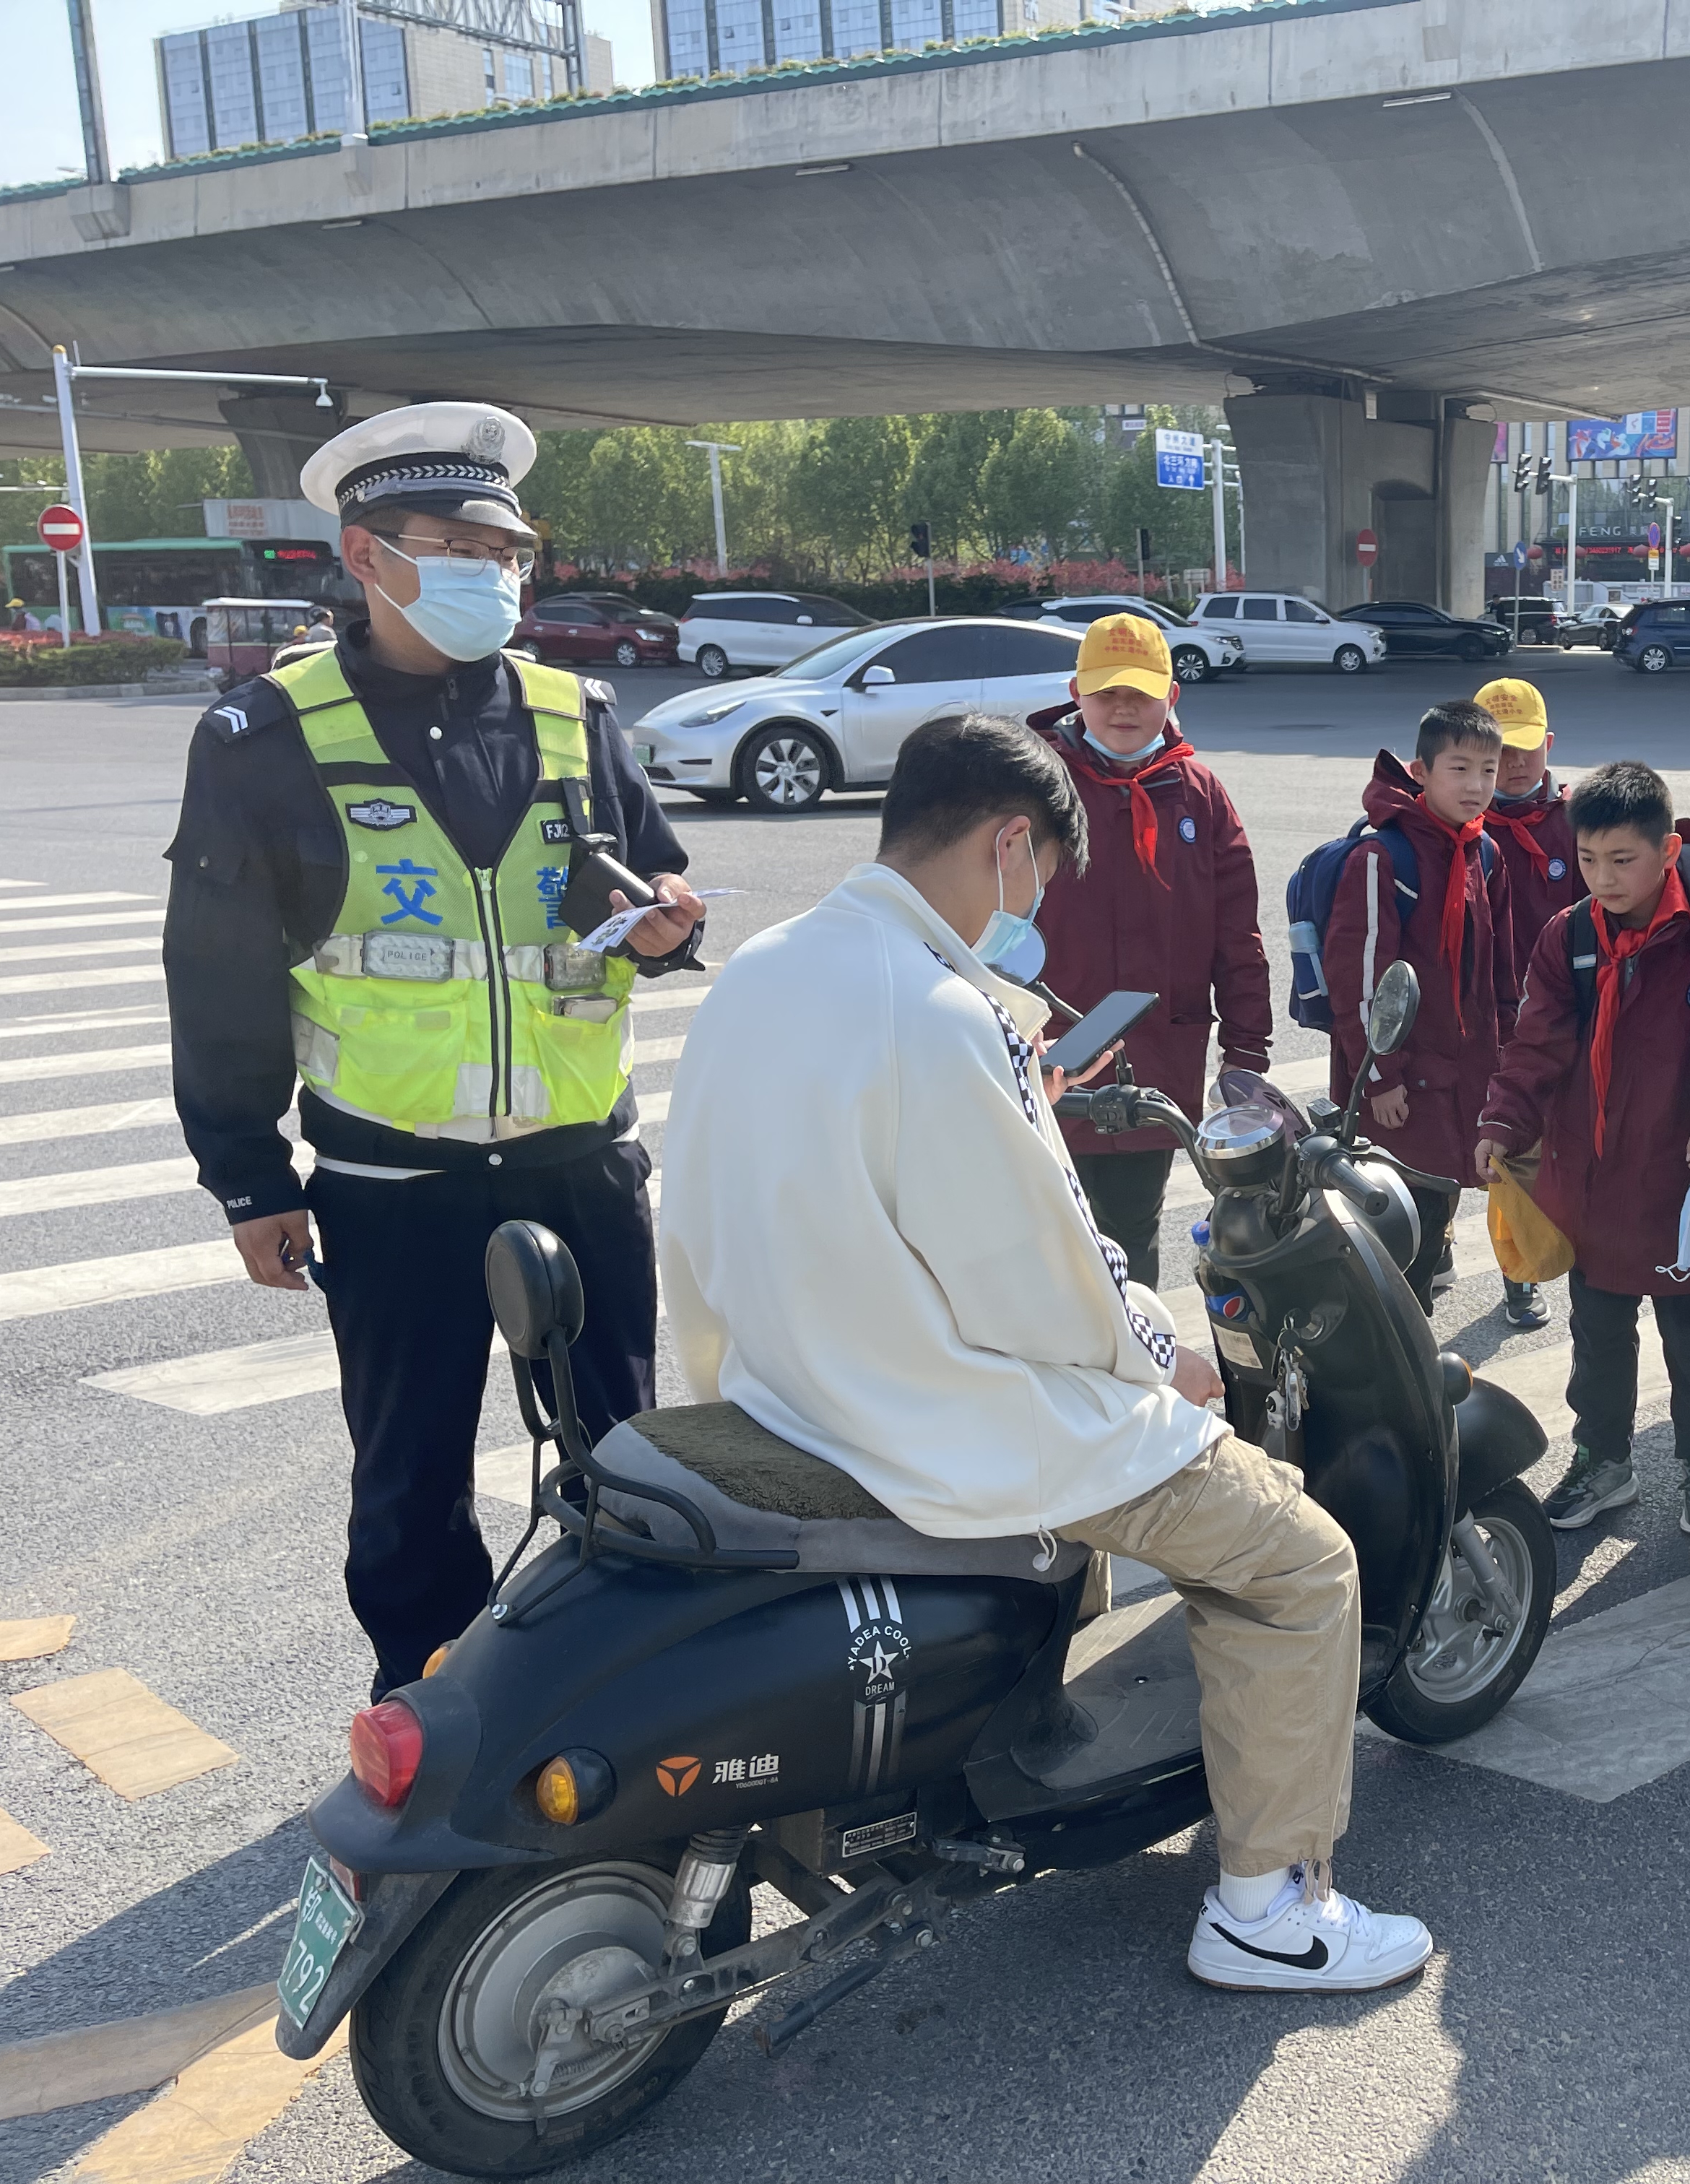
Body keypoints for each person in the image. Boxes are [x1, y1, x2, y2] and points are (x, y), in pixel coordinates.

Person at [660, 713, 1432, 1994]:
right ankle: (1269, 1906)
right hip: (931, 1409)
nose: (1034, 912)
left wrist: (1017, 1087)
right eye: (1040, 880)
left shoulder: (766, 965)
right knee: (1301, 1557)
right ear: (1009, 841)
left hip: (776, 1383)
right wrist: (1163, 1357)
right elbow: (1046, 1272)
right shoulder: (940, 1009)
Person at [164, 401, 708, 1701]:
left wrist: (664, 928)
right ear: (366, 554)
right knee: (407, 1472)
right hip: (389, 1177)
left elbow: (655, 885)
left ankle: (606, 1693)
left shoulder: (578, 712)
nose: (495, 572)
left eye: (509, 550)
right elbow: (219, 974)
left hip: (583, 1164)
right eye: (460, 545)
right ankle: (429, 1703)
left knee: (621, 1452)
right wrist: (249, 1177)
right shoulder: (266, 737)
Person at [1474, 761, 1690, 1540]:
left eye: (1623, 861)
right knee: (1597, 1338)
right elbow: (1534, 1045)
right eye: (1591, 861)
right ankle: (1604, 1460)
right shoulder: (1567, 938)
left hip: (1686, 1185)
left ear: (1668, 851)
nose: (1604, 878)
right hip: (1594, 1183)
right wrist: (1501, 1123)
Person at [1032, 614, 1271, 1286]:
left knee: (1131, 1236)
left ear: (1172, 696)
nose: (1123, 708)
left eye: (1139, 692)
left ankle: (1131, 1373)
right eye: (1106, 692)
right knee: (1048, 1239)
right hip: (1047, 1060)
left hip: (1158, 1060)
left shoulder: (1201, 795)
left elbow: (1238, 934)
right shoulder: (1034, 787)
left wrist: (1247, 1052)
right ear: (1076, 692)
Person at [1324, 701, 1512, 1311]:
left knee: (1432, 1230)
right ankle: (1402, 1378)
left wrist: (1510, 1064)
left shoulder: (1484, 853)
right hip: (1401, 1089)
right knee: (1397, 1243)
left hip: (1463, 1080)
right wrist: (1379, 1075)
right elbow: (1360, 979)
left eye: (1489, 770)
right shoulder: (1383, 857)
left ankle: (1416, 1368)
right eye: (1459, 768)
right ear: (1421, 771)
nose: (1477, 786)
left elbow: (1501, 975)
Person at [1476, 677, 1577, 1330]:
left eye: (1524, 748)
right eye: (1497, 751)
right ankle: (1514, 1273)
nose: (1514, 765)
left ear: (1548, 743)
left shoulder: (1578, 819)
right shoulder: (1461, 823)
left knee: (1547, 1144)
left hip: (1565, 1014)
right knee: (1498, 1147)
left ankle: (1546, 1254)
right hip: (1485, 1014)